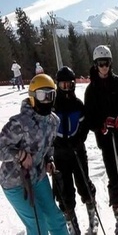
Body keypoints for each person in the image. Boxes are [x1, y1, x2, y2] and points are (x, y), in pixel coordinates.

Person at [0, 74, 68, 235]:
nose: (46, 100)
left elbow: (48, 145)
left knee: (55, 217)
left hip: (38, 175)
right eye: (41, 95)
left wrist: (49, 159)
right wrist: (20, 155)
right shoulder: (19, 123)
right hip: (15, 182)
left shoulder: (53, 121)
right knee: (38, 224)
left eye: (50, 95)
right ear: (32, 96)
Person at [84, 45, 118, 234]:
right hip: (106, 140)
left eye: (106, 63)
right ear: (95, 65)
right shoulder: (91, 90)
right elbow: (89, 119)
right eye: (100, 63)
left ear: (110, 63)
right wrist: (102, 124)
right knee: (113, 176)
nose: (104, 67)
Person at [53, 66, 97, 234]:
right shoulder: (53, 105)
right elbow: (48, 128)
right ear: (58, 85)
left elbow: (85, 125)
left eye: (69, 85)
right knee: (64, 191)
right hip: (59, 155)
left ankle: (92, 214)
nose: (66, 88)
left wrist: (79, 139)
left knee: (84, 184)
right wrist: (55, 143)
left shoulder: (77, 104)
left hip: (77, 151)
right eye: (63, 85)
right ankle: (72, 224)